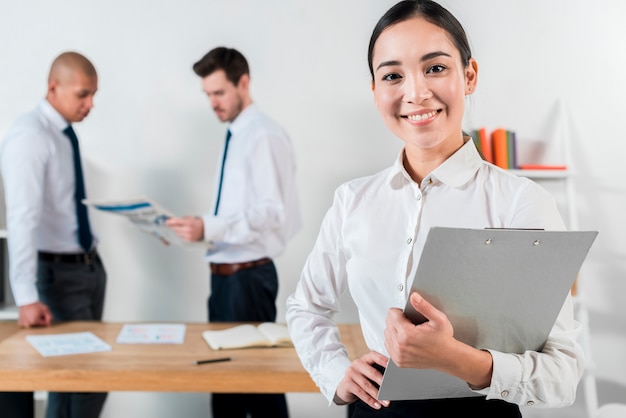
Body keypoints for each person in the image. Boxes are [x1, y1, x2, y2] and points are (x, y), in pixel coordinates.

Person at [285, 1, 584, 417]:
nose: (416, 93)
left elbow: (563, 372)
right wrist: (336, 371)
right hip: (376, 408)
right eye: (392, 75)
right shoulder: (352, 200)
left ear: (469, 75)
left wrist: (458, 359)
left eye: (436, 68)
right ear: (375, 92)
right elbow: (306, 306)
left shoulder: (520, 203)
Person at [165, 46, 301, 418]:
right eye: (207, 94)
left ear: (244, 83)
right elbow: (240, 211)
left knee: (258, 388)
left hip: (248, 280)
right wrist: (199, 229)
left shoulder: (263, 136)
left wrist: (209, 227)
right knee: (224, 385)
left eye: (219, 92)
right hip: (226, 280)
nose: (213, 103)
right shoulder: (238, 135)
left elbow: (272, 213)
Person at [0, 51, 107, 418]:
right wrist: (26, 295)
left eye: (94, 94)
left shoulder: (64, 136)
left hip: (88, 269)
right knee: (82, 379)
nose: (90, 104)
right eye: (83, 94)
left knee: (78, 382)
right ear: (53, 87)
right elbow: (22, 218)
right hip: (59, 275)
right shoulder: (30, 135)